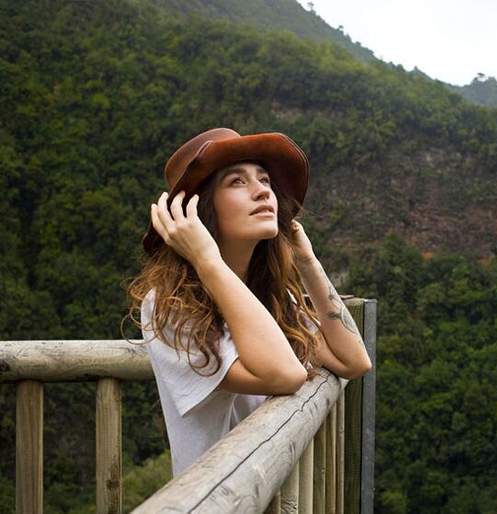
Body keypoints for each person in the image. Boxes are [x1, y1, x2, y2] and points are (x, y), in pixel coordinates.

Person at [125, 128, 372, 477]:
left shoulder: (269, 295)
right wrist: (207, 259)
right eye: (237, 182)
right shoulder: (169, 306)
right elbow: (285, 374)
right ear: (198, 210)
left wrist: (308, 263)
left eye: (265, 180)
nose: (263, 192)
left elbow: (355, 361)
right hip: (219, 496)